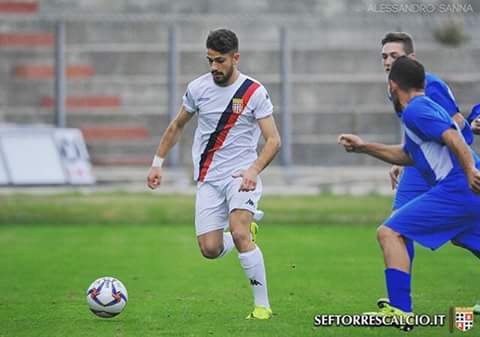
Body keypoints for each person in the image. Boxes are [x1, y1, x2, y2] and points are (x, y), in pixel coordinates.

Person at [147, 28, 281, 320]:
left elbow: (273, 140)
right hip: (208, 179)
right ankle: (239, 233)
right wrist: (158, 162)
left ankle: (262, 306)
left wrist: (253, 170)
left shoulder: (253, 92)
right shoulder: (198, 88)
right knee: (209, 249)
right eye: (209, 60)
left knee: (241, 231)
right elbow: (177, 126)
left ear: (236, 57)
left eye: (220, 61)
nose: (214, 67)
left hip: (240, 177)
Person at [339, 56, 480, 330]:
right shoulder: (419, 110)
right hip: (465, 189)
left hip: (457, 188)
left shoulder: (416, 110)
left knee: (390, 232)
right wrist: (364, 146)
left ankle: (401, 311)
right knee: (465, 239)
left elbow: (453, 136)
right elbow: (408, 154)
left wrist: (469, 172)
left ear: (393, 85)